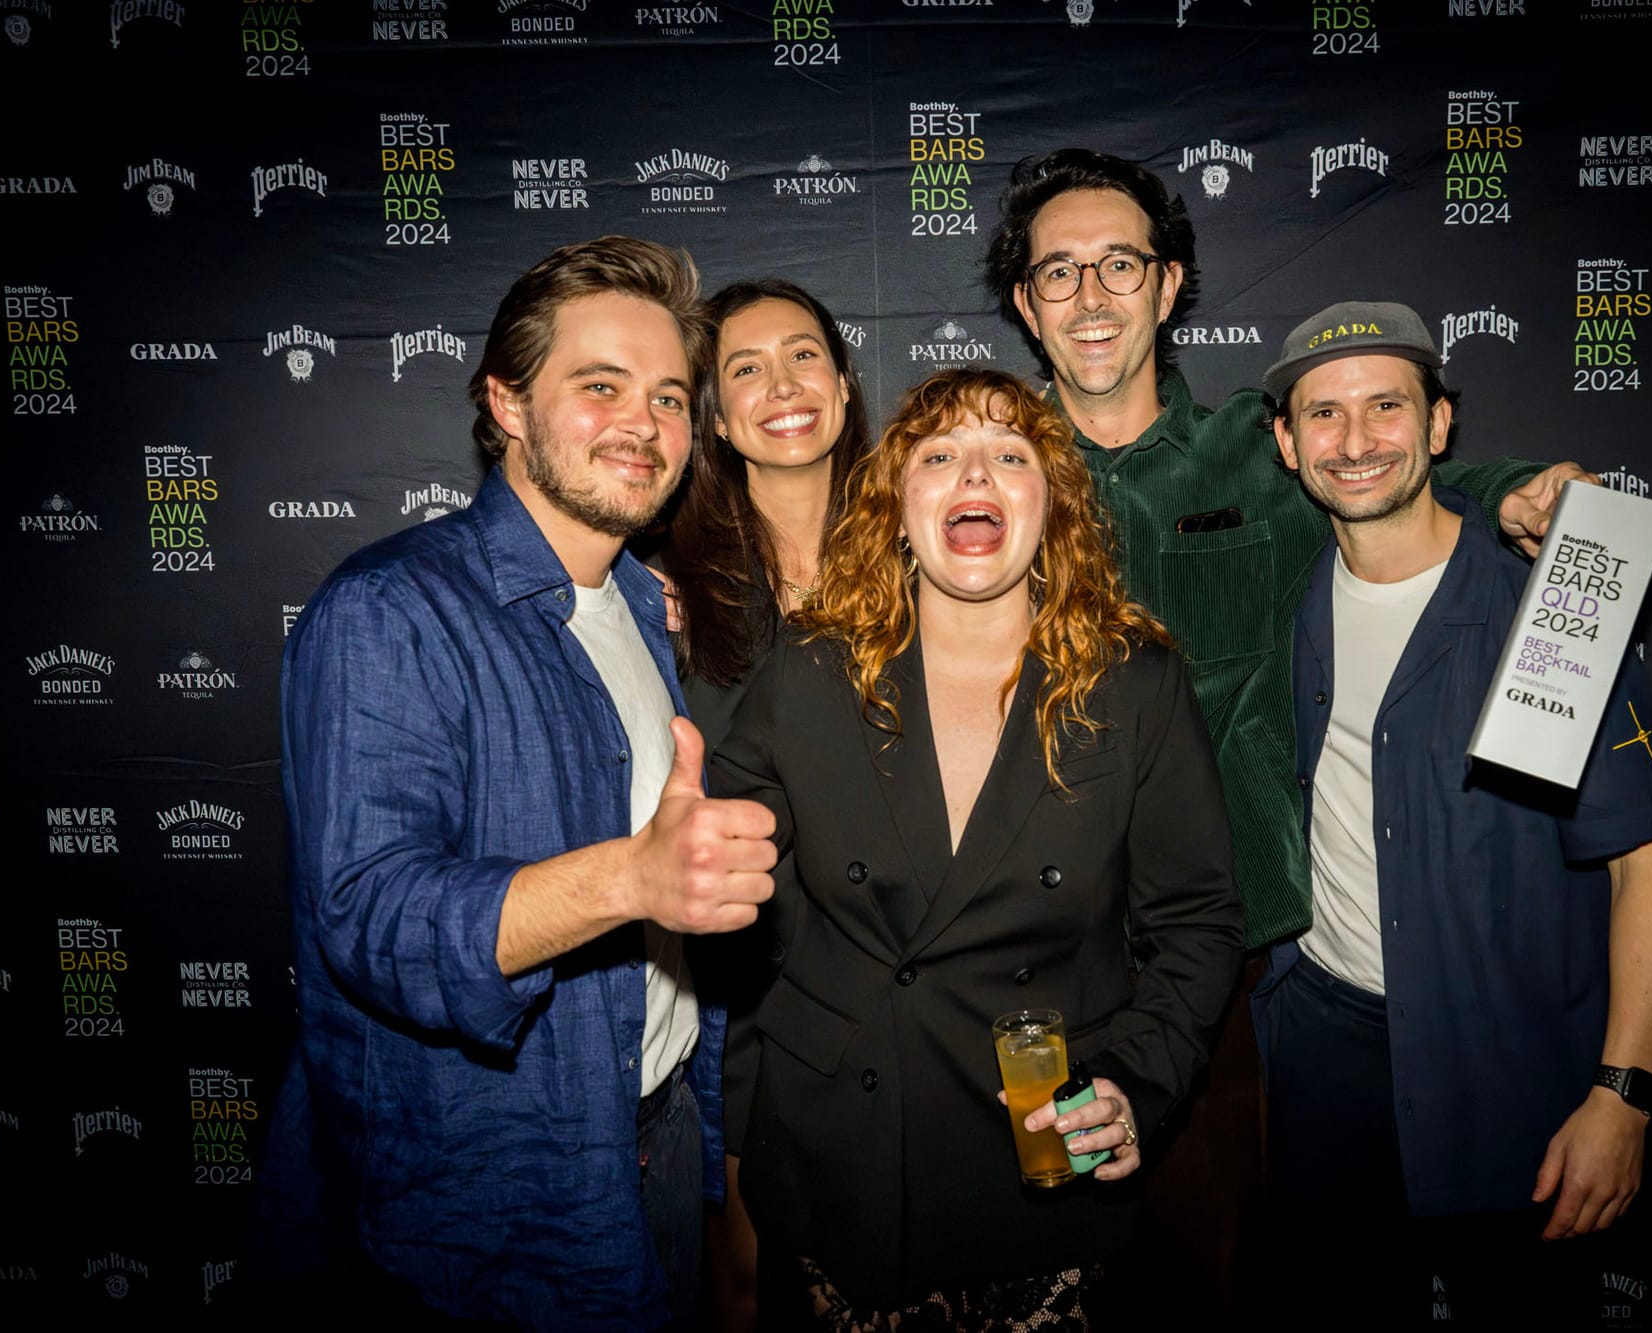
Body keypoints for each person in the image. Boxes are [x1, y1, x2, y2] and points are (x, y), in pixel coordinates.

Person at [981, 147, 1597, 1315]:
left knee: (1224, 1272)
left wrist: (1521, 486)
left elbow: (1399, 477)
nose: (1091, 295)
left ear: (1168, 287)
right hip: (1033, 950)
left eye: (1120, 263)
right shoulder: (991, 478)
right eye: (1057, 273)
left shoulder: (1256, 459)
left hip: (1237, 955)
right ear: (1024, 304)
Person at [272, 236, 778, 1329]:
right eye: (598, 386)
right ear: (505, 402)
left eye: (669, 397)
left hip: (656, 1131)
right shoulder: (390, 610)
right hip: (494, 1187)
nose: (642, 424)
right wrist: (628, 880)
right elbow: (372, 918)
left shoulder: (641, 606)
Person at [709, 367, 1244, 1328]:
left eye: (1010, 455)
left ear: (1054, 501)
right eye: (940, 455)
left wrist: (1136, 1082)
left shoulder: (1133, 683)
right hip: (843, 1155)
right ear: (895, 501)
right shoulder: (808, 671)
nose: (975, 476)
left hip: (1041, 1156)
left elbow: (1198, 923)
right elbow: (734, 895)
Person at [1252, 301, 1652, 1326]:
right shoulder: (1277, 592)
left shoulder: (1555, 605)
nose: (1354, 441)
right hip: (1324, 1059)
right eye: (1322, 414)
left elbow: (1649, 863)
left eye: (1385, 406)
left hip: (1513, 1069)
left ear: (1440, 424)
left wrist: (1620, 1096)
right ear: (1283, 442)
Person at [658, 279, 872, 1331]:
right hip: (736, 984)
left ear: (841, 381)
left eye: (802, 357)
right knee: (741, 1280)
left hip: (894, 966)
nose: (779, 387)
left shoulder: (929, 557)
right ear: (712, 411)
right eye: (743, 369)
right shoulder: (664, 592)